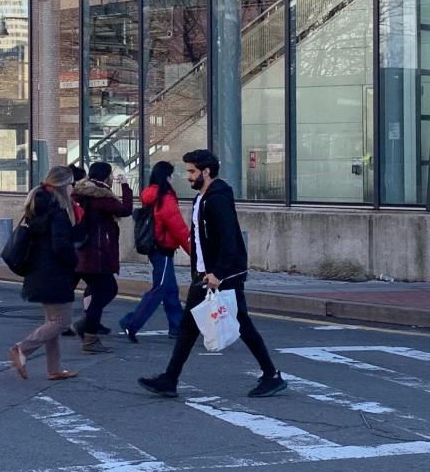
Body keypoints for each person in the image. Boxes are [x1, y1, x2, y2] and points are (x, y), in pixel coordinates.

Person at [138, 149, 285, 399]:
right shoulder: (201, 198)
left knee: (239, 324)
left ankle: (271, 375)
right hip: (205, 274)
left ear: (206, 172)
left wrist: (218, 272)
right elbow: (199, 238)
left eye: (192, 171)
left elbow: (229, 239)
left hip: (221, 276)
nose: (188, 176)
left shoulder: (218, 198)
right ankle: (170, 379)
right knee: (189, 326)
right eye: (187, 171)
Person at [8, 167, 82, 382]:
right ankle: (21, 349)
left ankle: (54, 368)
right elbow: (61, 247)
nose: (73, 188)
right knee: (62, 321)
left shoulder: (41, 206)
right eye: (71, 184)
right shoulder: (57, 212)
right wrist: (75, 261)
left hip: (41, 270)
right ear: (62, 187)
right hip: (53, 272)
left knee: (53, 321)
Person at [120, 160, 190, 342]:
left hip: (154, 246)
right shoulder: (165, 198)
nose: (174, 178)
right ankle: (132, 322)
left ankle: (177, 326)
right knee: (160, 289)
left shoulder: (150, 194)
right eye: (172, 174)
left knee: (170, 289)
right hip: (163, 247)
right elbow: (178, 228)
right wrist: (193, 250)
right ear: (167, 176)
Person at [71, 162, 129, 352]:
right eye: (111, 175)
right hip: (97, 253)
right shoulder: (101, 195)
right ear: (106, 176)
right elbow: (125, 210)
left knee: (102, 291)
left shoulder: (79, 192)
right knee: (106, 290)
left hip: (80, 251)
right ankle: (89, 335)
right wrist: (125, 186)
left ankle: (85, 326)